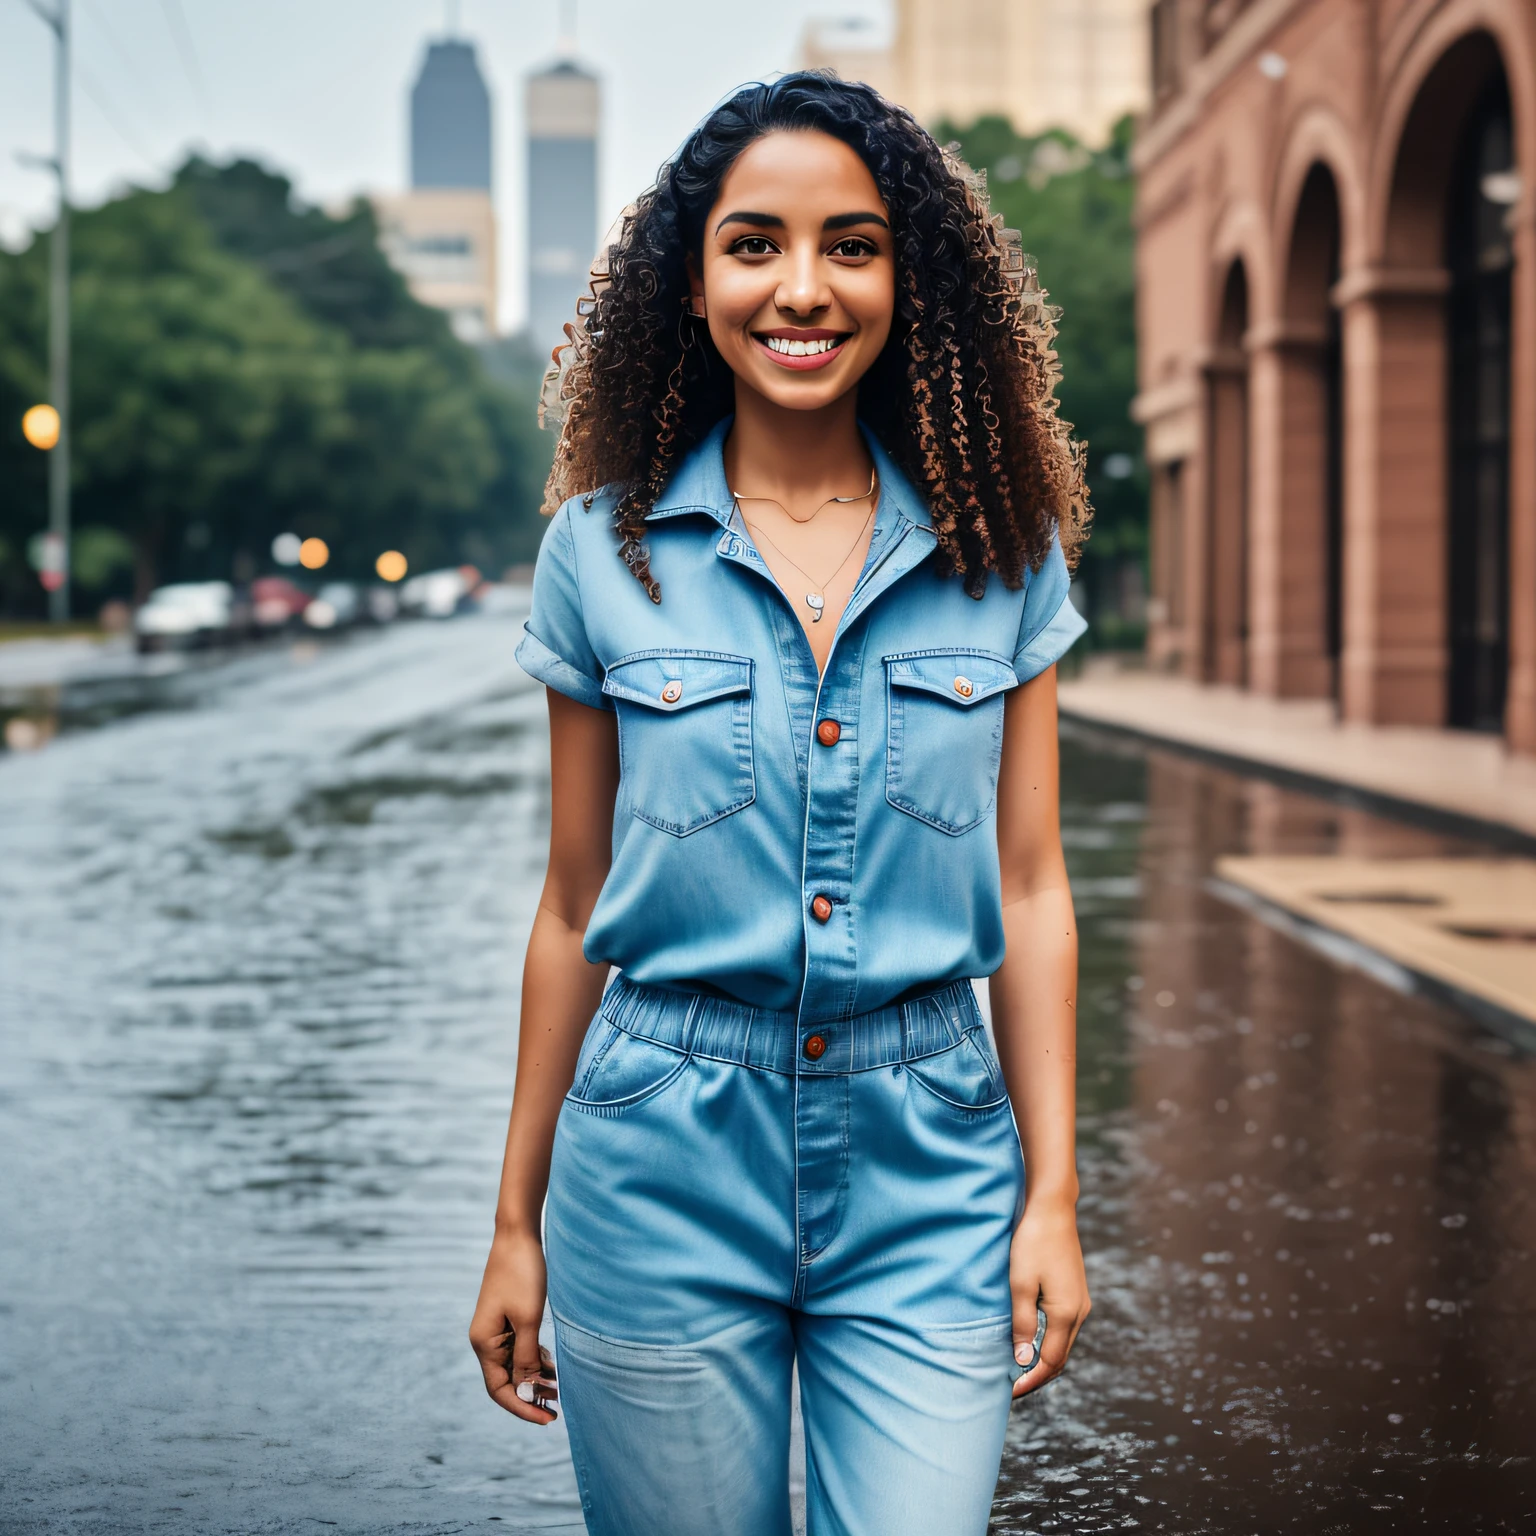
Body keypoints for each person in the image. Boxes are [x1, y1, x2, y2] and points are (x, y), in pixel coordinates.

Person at [469, 72, 1092, 1536]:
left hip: (927, 1157)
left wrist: (1053, 1196)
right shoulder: (597, 552)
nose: (800, 288)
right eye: (753, 244)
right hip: (659, 1155)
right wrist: (514, 1223)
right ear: (692, 285)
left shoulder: (1003, 550)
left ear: (907, 282)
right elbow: (574, 903)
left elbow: (1036, 883)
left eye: (851, 246)